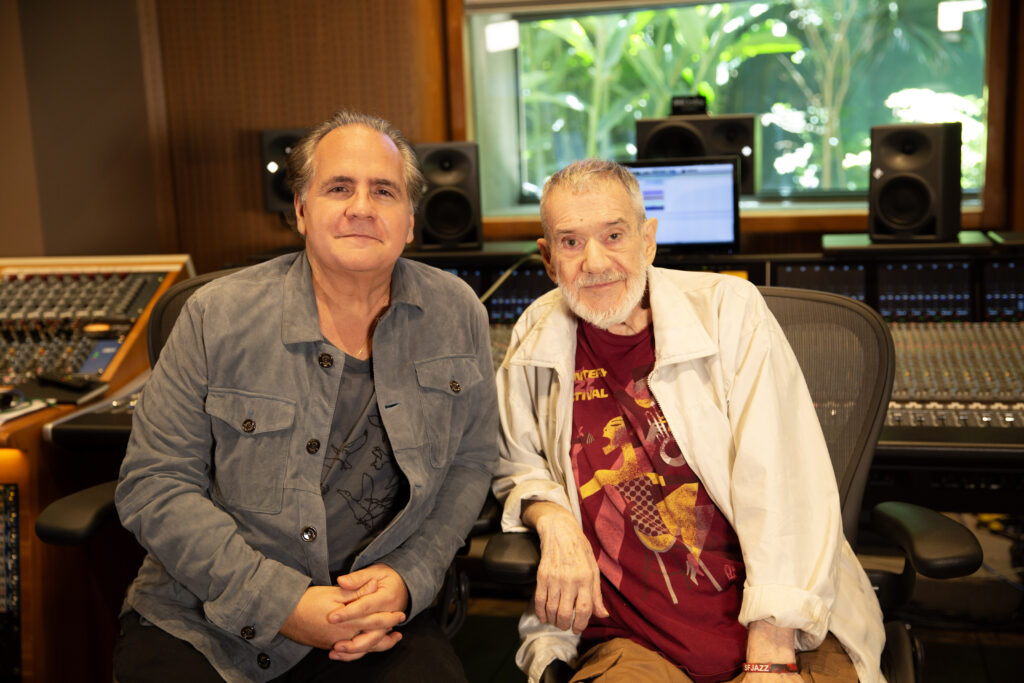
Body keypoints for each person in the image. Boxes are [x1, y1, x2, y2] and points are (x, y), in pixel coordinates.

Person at [114, 110, 498, 682]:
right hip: (205, 620)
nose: (361, 207)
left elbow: (471, 463)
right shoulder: (216, 316)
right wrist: (283, 604)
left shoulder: (457, 311)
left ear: (410, 221)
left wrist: (409, 575)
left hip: (373, 612)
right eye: (339, 188)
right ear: (300, 210)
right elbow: (154, 483)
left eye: (384, 191)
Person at [492, 159, 885, 683]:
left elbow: (786, 485)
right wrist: (553, 518)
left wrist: (770, 655)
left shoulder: (728, 311)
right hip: (632, 640)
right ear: (547, 258)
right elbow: (516, 463)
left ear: (648, 240)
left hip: (784, 625)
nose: (595, 262)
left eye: (614, 235)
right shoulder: (537, 332)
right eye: (570, 242)